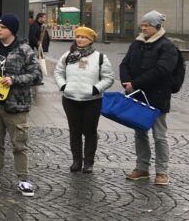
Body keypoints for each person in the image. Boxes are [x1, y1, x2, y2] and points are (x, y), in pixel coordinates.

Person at [0, 14, 42, 197]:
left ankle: (23, 179)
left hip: (16, 106)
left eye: (2, 27)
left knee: (19, 144)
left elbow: (37, 76)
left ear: (12, 30)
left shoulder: (25, 50)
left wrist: (14, 80)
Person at [120, 10, 180, 186]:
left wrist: (135, 83)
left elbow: (162, 71)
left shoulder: (167, 47)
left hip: (158, 97)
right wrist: (126, 82)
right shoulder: (136, 44)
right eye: (143, 25)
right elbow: (125, 64)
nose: (144, 28)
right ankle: (142, 168)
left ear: (157, 27)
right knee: (140, 133)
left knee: (159, 136)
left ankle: (162, 172)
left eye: (147, 25)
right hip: (138, 96)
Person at [54, 27, 114, 173]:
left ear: (91, 40)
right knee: (74, 131)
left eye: (84, 37)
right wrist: (63, 86)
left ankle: (88, 162)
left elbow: (109, 78)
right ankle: (76, 161)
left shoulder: (100, 57)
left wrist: (96, 89)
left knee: (90, 131)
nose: (80, 39)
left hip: (92, 100)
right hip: (70, 98)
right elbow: (58, 72)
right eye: (78, 36)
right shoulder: (68, 55)